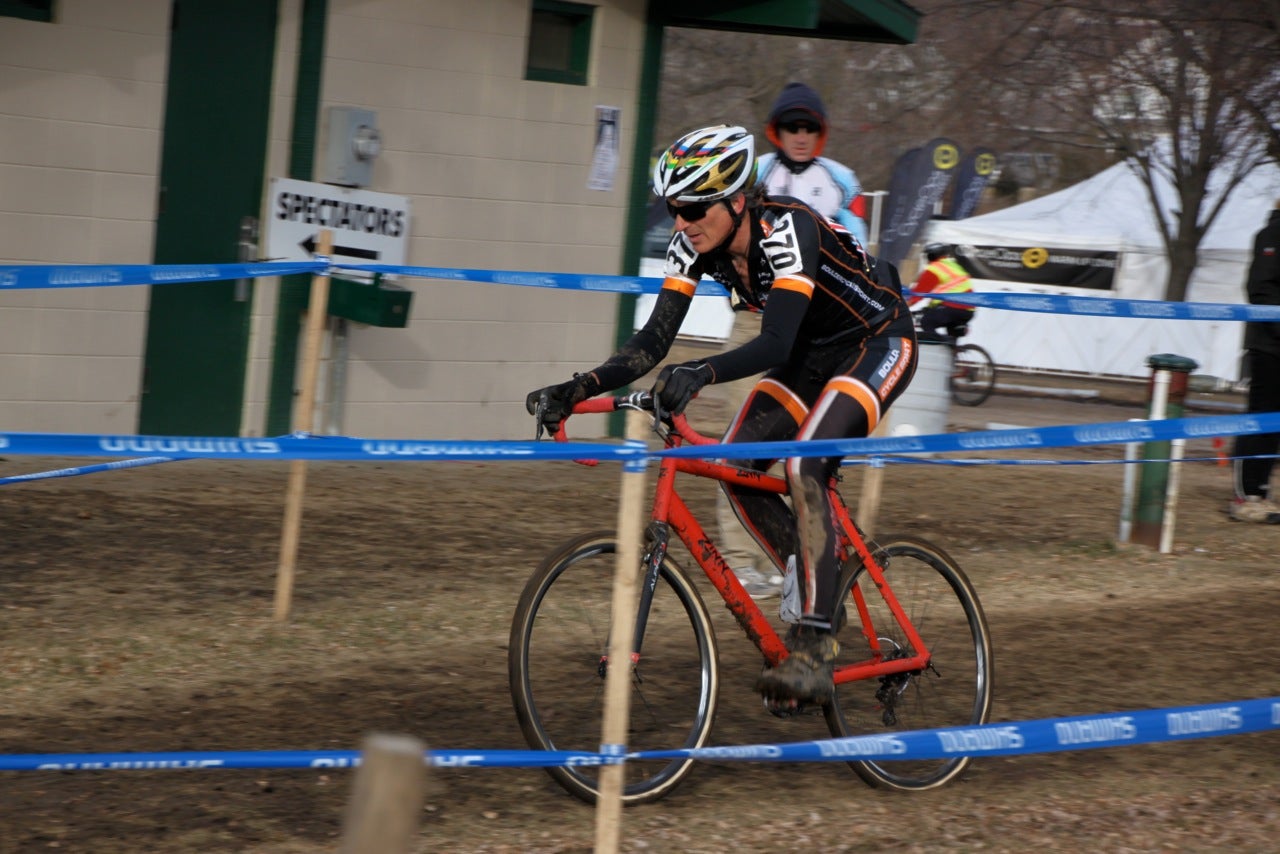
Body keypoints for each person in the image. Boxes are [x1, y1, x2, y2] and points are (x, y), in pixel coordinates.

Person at [526, 125, 917, 707]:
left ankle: (815, 643)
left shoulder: (789, 227)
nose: (681, 223)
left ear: (737, 201)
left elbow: (777, 342)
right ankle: (817, 584)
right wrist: (579, 386)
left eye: (692, 208)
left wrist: (703, 372)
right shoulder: (694, 245)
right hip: (812, 358)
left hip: (876, 342)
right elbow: (653, 341)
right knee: (736, 467)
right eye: (673, 209)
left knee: (804, 468)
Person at [716, 81, 871, 599]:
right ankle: (744, 563)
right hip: (756, 323)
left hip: (826, 328)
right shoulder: (756, 174)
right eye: (791, 127)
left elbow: (858, 250)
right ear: (776, 131)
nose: (800, 136)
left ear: (820, 133)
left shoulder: (837, 183)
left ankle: (821, 567)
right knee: (740, 446)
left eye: (809, 127)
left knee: (807, 457)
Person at [1230, 200, 1280, 524]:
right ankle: (1247, 496)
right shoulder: (1271, 235)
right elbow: (1260, 289)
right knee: (1260, 420)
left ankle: (1261, 492)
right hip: (1269, 348)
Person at [909, 243, 975, 340]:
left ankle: (939, 349)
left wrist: (902, 306)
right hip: (968, 310)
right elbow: (948, 291)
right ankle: (953, 351)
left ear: (930, 256)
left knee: (926, 321)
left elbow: (918, 294)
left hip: (952, 308)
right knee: (952, 335)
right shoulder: (953, 266)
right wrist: (929, 307)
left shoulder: (934, 269)